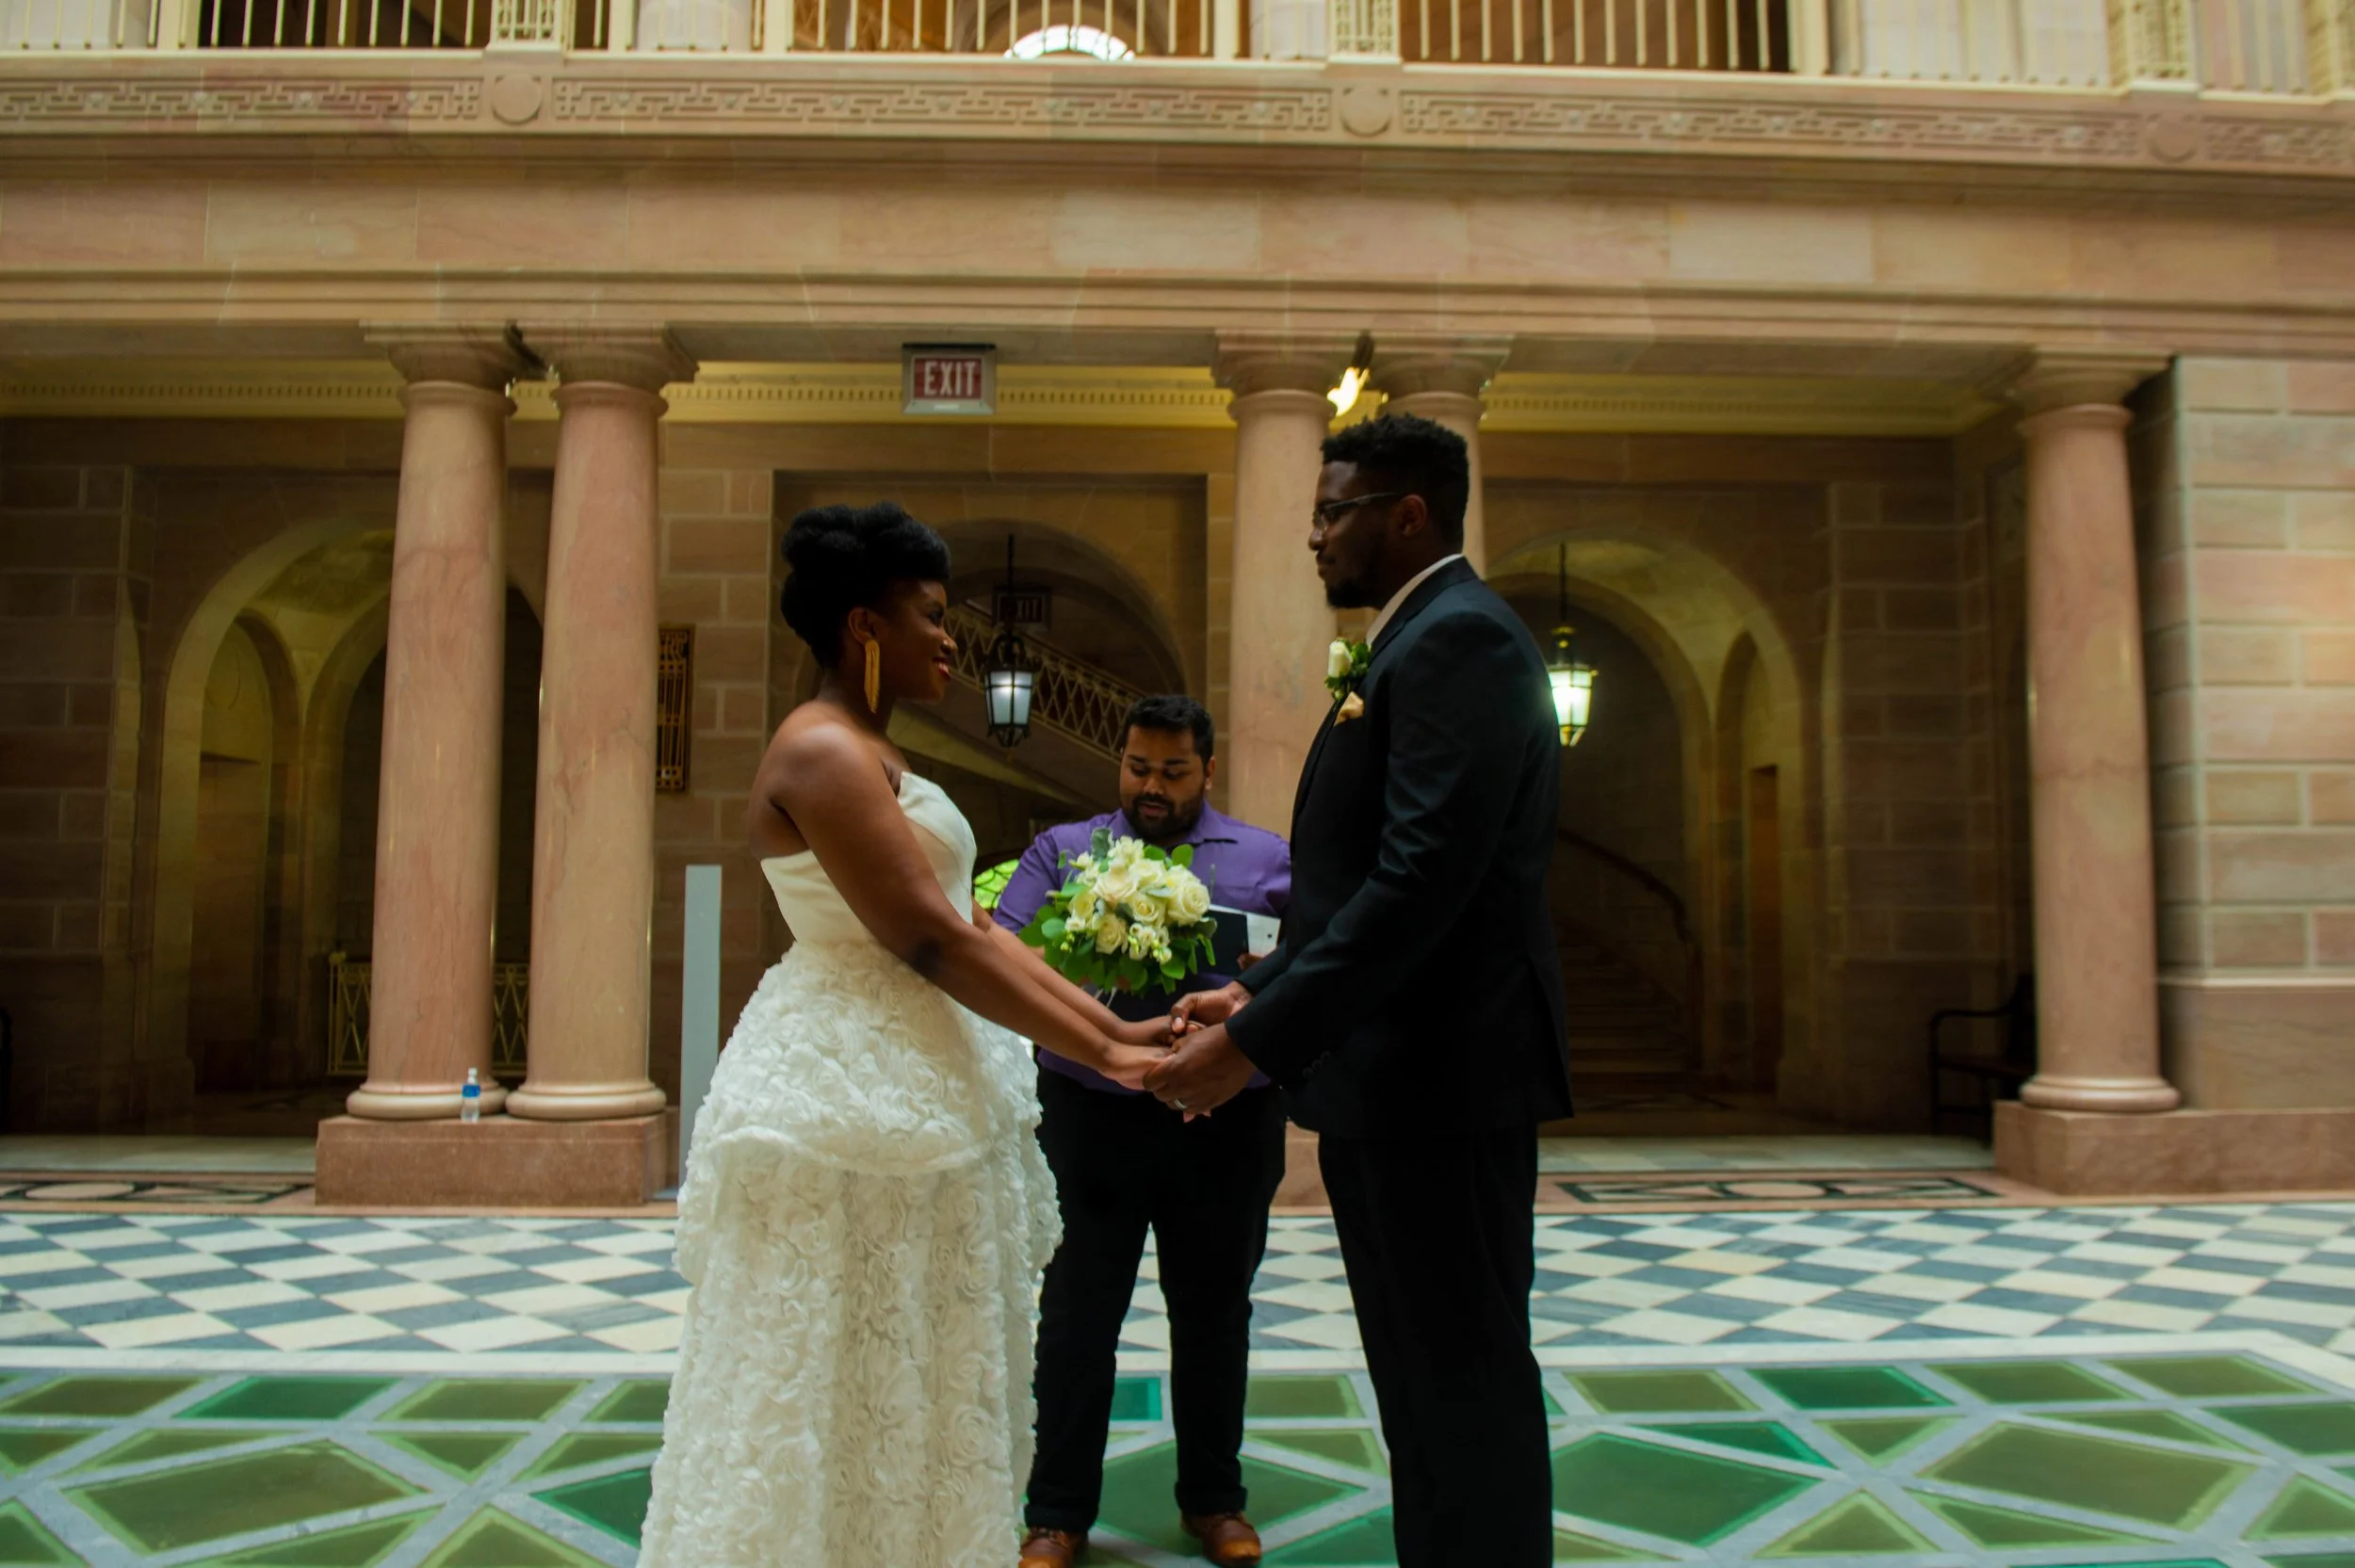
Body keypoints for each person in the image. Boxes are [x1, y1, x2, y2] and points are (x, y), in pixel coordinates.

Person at [639, 504, 1171, 1568]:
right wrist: (1110, 1058)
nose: (949, 640)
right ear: (860, 626)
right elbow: (926, 937)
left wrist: (1117, 1030)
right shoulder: (819, 748)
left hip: (923, 1075)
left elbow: (973, 923)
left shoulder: (875, 746)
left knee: (916, 1365)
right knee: (827, 1361)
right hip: (843, 1094)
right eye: (929, 615)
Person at [1143, 413, 1574, 1567]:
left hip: (1444, 1082)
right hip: (1398, 1079)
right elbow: (1380, 887)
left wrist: (1257, 1044)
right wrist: (1262, 988)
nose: (1313, 538)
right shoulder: (1414, 641)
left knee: (1461, 1380)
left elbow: (1422, 881)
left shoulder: (1458, 643)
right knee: (1424, 1382)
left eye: (1333, 512)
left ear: (1408, 515)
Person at [993, 696, 1291, 1568]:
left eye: (1172, 771)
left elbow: (1314, 955)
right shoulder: (1063, 851)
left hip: (1228, 1122)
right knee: (1079, 1315)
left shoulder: (1268, 858)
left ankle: (1213, 1501)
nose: (1151, 787)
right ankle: (1055, 1513)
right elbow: (1008, 953)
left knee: (1213, 1313)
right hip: (1091, 1117)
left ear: (1207, 769)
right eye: (1137, 767)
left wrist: (1257, 987)